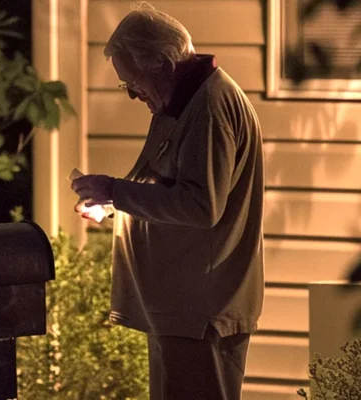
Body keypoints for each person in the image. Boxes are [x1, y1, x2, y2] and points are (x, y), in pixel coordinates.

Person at [70, 3, 265, 399]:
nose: (132, 95)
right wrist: (112, 204)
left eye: (133, 83)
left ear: (161, 63)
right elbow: (170, 186)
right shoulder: (183, 102)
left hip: (199, 312)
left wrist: (116, 191)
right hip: (181, 310)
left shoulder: (209, 107)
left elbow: (200, 205)